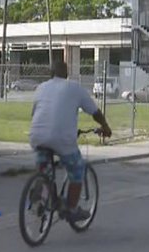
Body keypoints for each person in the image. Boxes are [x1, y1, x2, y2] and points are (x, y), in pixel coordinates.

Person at [28, 61, 112, 221]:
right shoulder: (74, 88)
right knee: (77, 169)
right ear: (66, 74)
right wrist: (105, 127)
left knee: (44, 169)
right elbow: (95, 112)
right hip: (61, 138)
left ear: (51, 74)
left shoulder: (41, 88)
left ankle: (41, 190)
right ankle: (70, 209)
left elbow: (35, 113)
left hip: (37, 135)